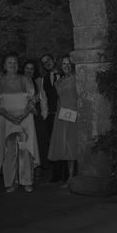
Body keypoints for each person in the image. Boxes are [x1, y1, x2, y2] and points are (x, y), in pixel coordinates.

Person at [0, 53, 40, 193]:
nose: (12, 65)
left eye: (14, 62)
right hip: (6, 120)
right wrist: (10, 117)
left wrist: (23, 115)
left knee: (25, 149)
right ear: (4, 65)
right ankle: (11, 181)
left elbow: (32, 100)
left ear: (18, 65)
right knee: (9, 150)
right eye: (9, 63)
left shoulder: (25, 79)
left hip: (25, 119)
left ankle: (27, 180)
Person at [47, 55, 78, 188]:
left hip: (74, 114)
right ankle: (70, 178)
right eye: (64, 63)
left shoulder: (77, 78)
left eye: (69, 63)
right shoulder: (58, 81)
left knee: (73, 146)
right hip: (63, 116)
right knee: (66, 147)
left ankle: (74, 177)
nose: (66, 65)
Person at [23, 59, 50, 176]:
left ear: (35, 71)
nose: (29, 71)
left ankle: (38, 167)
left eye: (31, 68)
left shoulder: (38, 82)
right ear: (23, 69)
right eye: (27, 68)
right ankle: (26, 168)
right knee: (26, 142)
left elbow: (42, 97)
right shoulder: (19, 81)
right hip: (24, 115)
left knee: (39, 141)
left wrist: (42, 112)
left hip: (36, 115)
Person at [40, 54, 61, 182]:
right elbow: (43, 98)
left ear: (54, 60)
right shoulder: (45, 79)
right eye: (44, 62)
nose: (47, 63)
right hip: (52, 115)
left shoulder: (65, 73)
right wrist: (45, 116)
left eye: (48, 60)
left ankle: (68, 173)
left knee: (67, 142)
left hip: (67, 113)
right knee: (54, 144)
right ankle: (57, 173)